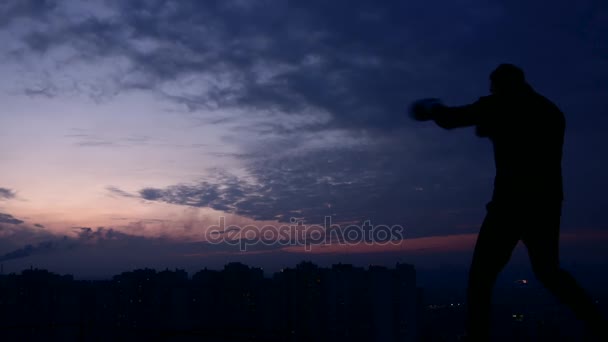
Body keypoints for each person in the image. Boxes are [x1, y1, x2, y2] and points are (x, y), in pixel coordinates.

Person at [410, 64, 606, 340]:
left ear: (499, 86)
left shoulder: (499, 104)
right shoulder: (550, 111)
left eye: (492, 88)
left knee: (481, 277)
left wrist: (432, 107)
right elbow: (512, 132)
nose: (490, 92)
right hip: (545, 204)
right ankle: (597, 324)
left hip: (510, 204)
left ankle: (478, 336)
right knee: (549, 272)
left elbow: (453, 119)